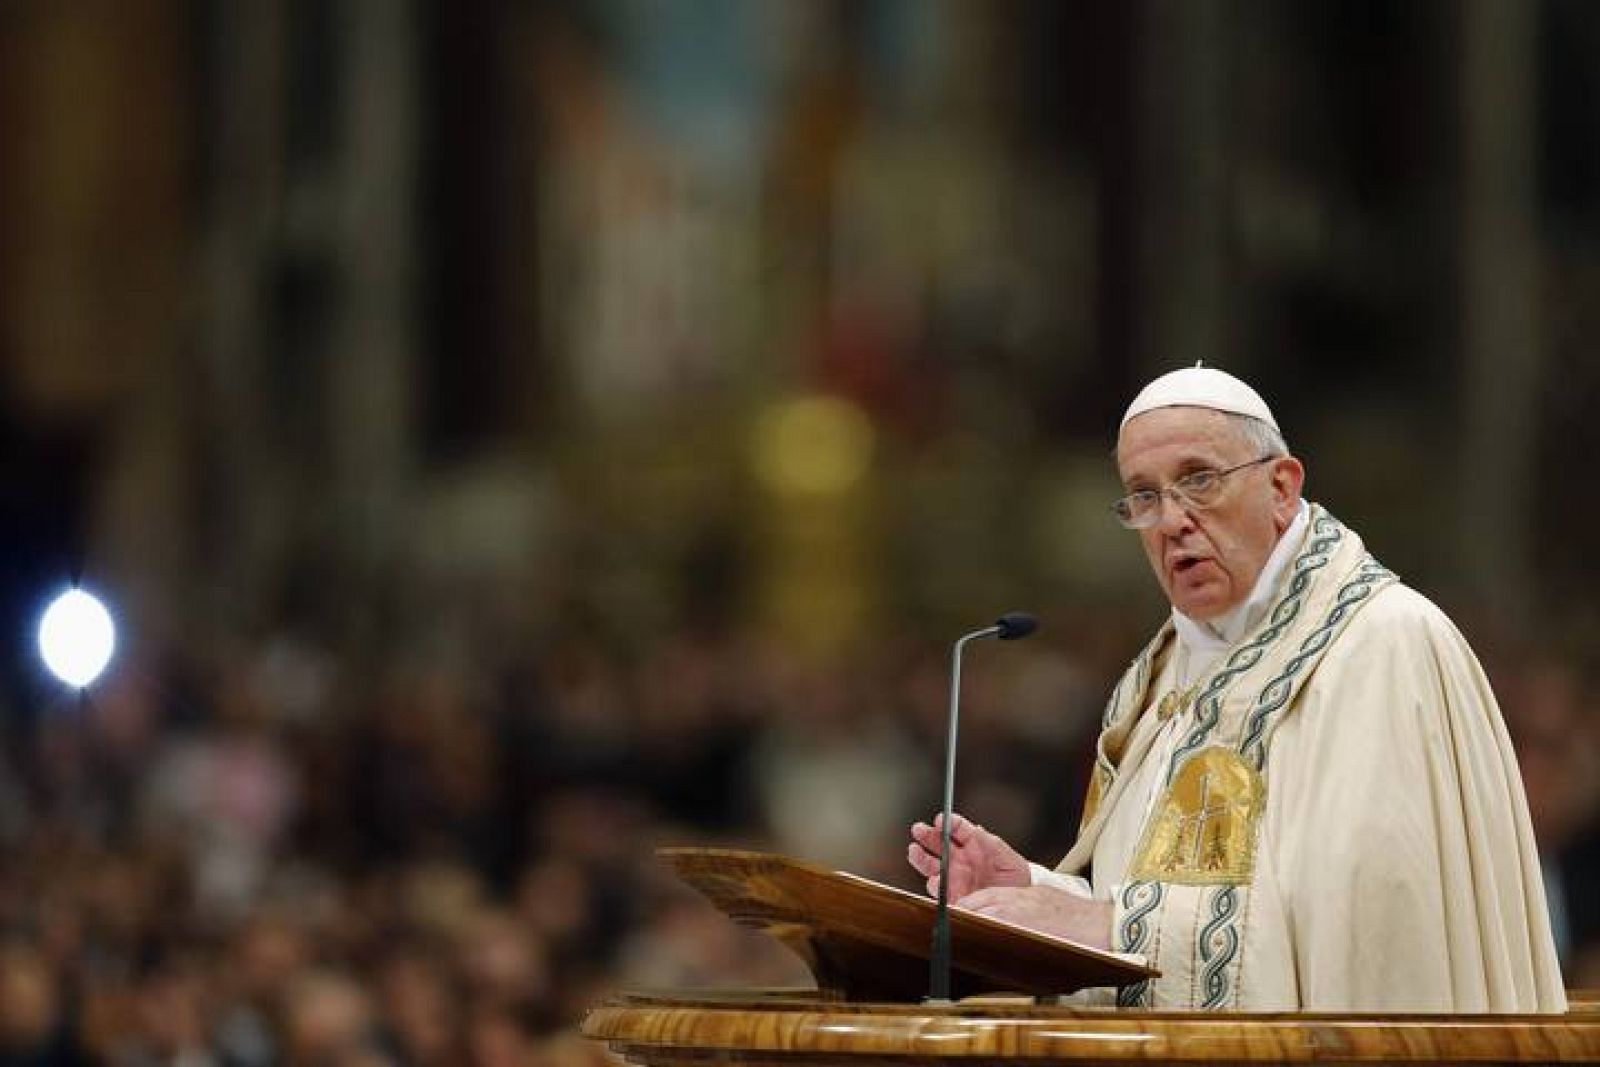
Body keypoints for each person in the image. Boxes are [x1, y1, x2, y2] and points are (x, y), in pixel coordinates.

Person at [907, 366, 1567, 1012]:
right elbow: (1160, 906)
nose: (1171, 520)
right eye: (1143, 495)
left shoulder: (1380, 644)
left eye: (1198, 480)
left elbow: (1368, 941)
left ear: (1281, 486)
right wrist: (1033, 893)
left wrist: (1108, 927)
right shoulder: (1164, 673)